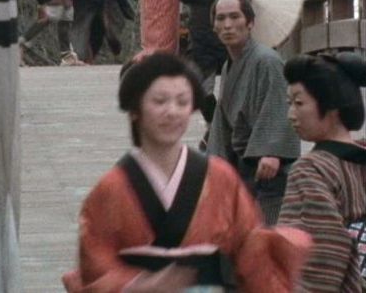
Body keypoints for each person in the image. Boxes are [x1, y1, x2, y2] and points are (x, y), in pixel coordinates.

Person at [61, 53, 311, 292]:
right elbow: (94, 266)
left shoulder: (220, 178)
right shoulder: (110, 190)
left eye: (182, 102)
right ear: (135, 109)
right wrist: (138, 285)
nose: (172, 111)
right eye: (160, 101)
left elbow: (253, 252)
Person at [207, 0, 299, 225]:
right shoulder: (229, 66)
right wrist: (216, 163)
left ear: (250, 22)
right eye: (221, 18)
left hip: (268, 168)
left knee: (268, 231)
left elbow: (278, 104)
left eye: (235, 16)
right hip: (244, 168)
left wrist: (272, 151)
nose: (227, 25)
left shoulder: (267, 60)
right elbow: (222, 121)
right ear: (214, 27)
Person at [278, 52, 366, 291]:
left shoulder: (311, 169)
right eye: (289, 104)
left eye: (299, 103)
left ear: (332, 107)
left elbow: (321, 252)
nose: (291, 115)